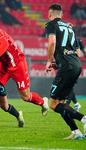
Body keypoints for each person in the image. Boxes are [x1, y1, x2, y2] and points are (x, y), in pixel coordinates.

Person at [45, 3, 86, 140]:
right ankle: (75, 131)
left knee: (53, 104)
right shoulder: (69, 26)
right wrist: (59, 62)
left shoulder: (51, 24)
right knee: (61, 102)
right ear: (61, 14)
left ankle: (83, 119)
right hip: (76, 65)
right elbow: (76, 51)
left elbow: (52, 42)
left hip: (67, 66)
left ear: (50, 14)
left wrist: (49, 60)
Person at [66, 36, 86, 111]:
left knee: (69, 86)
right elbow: (83, 52)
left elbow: (79, 54)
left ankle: (67, 104)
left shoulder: (76, 40)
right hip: (69, 66)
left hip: (73, 66)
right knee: (69, 86)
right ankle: (76, 104)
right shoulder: (75, 40)